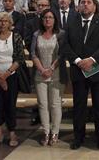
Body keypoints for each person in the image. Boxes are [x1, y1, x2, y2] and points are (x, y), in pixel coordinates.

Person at [61, 0, 99, 150]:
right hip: (78, 69)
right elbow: (65, 45)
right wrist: (77, 61)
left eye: (89, 2)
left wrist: (91, 59)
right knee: (79, 107)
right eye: (82, 2)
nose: (85, 5)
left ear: (95, 6)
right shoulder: (72, 22)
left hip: (97, 69)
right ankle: (78, 137)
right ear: (78, 6)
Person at [30, 9, 68, 146]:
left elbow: (62, 54)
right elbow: (33, 54)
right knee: (43, 105)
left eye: (50, 17)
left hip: (56, 74)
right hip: (40, 75)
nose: (47, 20)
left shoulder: (61, 34)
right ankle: (46, 132)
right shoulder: (36, 34)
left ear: (55, 20)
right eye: (45, 17)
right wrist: (41, 69)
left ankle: (55, 133)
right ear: (42, 20)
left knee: (55, 105)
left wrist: (51, 68)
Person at [0, 12, 25, 147]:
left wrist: (5, 76)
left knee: (10, 105)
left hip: (11, 77)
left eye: (5, 21)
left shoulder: (16, 37)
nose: (2, 23)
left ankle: (12, 133)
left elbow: (19, 58)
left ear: (10, 23)